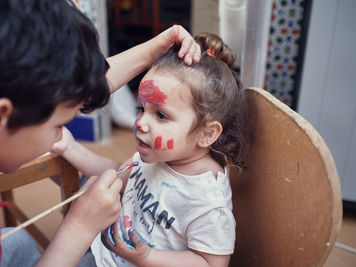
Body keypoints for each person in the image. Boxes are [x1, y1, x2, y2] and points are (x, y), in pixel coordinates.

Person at [0, 0, 201, 266]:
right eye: (58, 125)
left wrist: (151, 52)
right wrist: (78, 228)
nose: (58, 135)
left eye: (162, 115)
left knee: (19, 243)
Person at [52, 32, 251, 267]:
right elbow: (117, 174)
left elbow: (211, 264)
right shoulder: (157, 155)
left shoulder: (206, 200)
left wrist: (147, 257)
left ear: (207, 133)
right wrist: (71, 148)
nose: (141, 123)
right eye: (141, 109)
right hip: (100, 254)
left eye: (161, 115)